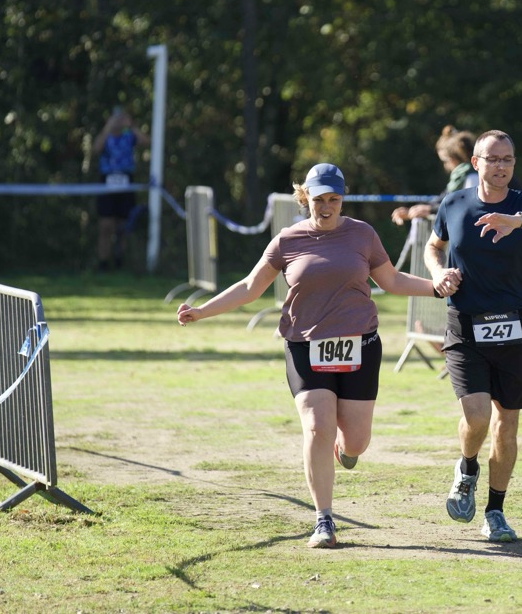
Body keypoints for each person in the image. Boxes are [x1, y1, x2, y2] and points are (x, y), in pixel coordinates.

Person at [177, 163, 461, 549]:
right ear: (304, 198)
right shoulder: (287, 240)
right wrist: (201, 311)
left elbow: (391, 281)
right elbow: (249, 287)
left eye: (334, 199)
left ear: (342, 199)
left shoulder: (362, 234)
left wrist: (437, 287)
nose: (326, 207)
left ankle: (344, 450)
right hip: (305, 346)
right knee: (316, 426)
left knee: (356, 442)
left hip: (360, 345)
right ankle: (323, 519)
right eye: (318, 200)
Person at [424, 129, 522, 543]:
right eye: (493, 159)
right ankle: (467, 466)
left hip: (513, 328)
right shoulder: (454, 203)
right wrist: (438, 273)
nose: (501, 166)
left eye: (507, 159)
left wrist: (518, 221)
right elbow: (433, 246)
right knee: (476, 417)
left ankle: (495, 511)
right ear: (476, 163)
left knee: (506, 425)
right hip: (465, 325)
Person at [91, 106, 149, 271]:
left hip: (126, 182)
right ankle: (103, 263)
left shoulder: (129, 135)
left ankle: (119, 261)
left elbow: (147, 142)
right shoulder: (106, 135)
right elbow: (96, 149)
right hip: (107, 183)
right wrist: (108, 127)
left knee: (123, 225)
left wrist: (131, 125)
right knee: (106, 225)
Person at [391, 126, 478, 225]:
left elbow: (466, 207)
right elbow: (442, 200)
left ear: (454, 158)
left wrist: (430, 210)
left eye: (445, 161)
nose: (445, 166)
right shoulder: (459, 178)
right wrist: (412, 210)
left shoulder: (472, 177)